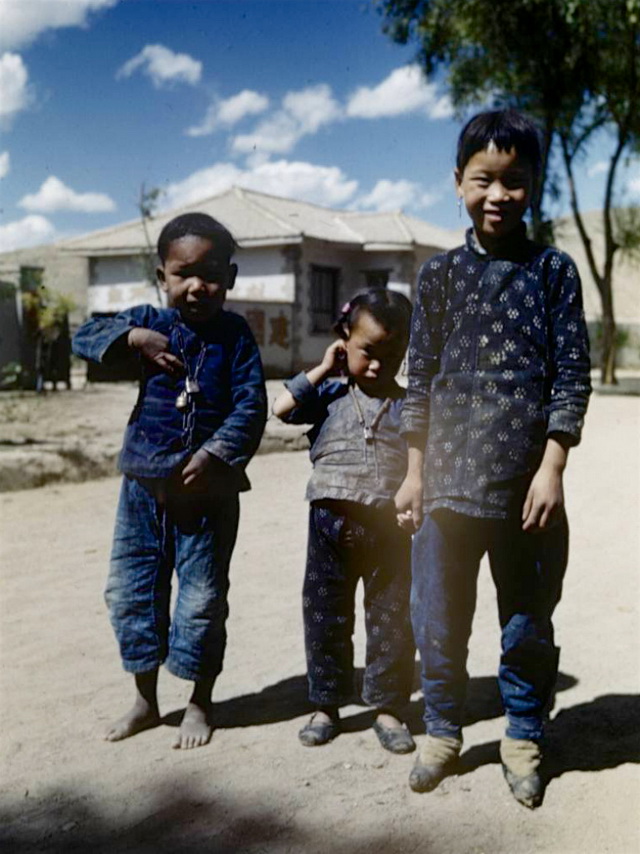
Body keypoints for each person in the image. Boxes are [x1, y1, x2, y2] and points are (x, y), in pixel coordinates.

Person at [395, 110, 591, 807]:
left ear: (533, 186)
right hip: (446, 491)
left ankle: (523, 736)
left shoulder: (553, 272)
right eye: (484, 180)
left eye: (514, 181)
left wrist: (552, 468)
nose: (498, 195)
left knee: (528, 621)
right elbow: (418, 379)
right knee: (439, 618)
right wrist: (414, 474)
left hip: (525, 495)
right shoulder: (440, 277)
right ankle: (443, 732)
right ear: (458, 183)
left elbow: (571, 376)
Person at [73, 212, 267, 749]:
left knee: (202, 599)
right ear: (163, 277)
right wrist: (134, 337)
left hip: (208, 496)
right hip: (142, 491)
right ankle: (145, 699)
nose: (196, 286)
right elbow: (85, 336)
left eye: (209, 274)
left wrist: (214, 453)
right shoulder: (148, 322)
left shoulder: (236, 337)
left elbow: (252, 407)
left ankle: (200, 702)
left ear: (229, 277)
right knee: (131, 591)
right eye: (183, 274)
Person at [273, 289, 417, 755]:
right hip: (328, 526)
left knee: (391, 618)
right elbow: (281, 409)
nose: (377, 366)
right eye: (367, 353)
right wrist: (322, 367)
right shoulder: (330, 394)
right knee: (325, 616)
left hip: (387, 529)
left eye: (391, 356)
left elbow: (426, 456)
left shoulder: (407, 403)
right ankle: (326, 705)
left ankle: (388, 706)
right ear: (344, 342)